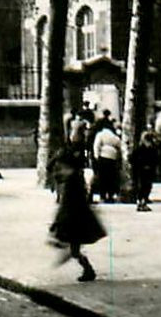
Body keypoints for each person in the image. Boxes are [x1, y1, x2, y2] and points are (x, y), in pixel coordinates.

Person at [49, 149, 104, 281]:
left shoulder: (72, 183)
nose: (60, 171)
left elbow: (67, 205)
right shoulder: (75, 179)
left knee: (73, 248)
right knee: (73, 247)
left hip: (75, 220)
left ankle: (87, 270)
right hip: (76, 219)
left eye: (62, 168)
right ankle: (86, 268)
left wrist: (57, 222)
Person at [91, 120, 124, 203]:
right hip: (112, 157)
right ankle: (110, 195)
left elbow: (96, 145)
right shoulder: (114, 136)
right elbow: (119, 145)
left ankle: (103, 195)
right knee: (111, 178)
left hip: (103, 157)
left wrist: (96, 155)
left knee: (103, 177)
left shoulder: (100, 135)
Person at [129, 131, 158, 212]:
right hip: (141, 171)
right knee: (141, 187)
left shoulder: (151, 149)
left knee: (147, 187)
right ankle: (141, 202)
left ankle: (143, 202)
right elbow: (133, 159)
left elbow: (155, 160)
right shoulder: (140, 149)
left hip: (148, 171)